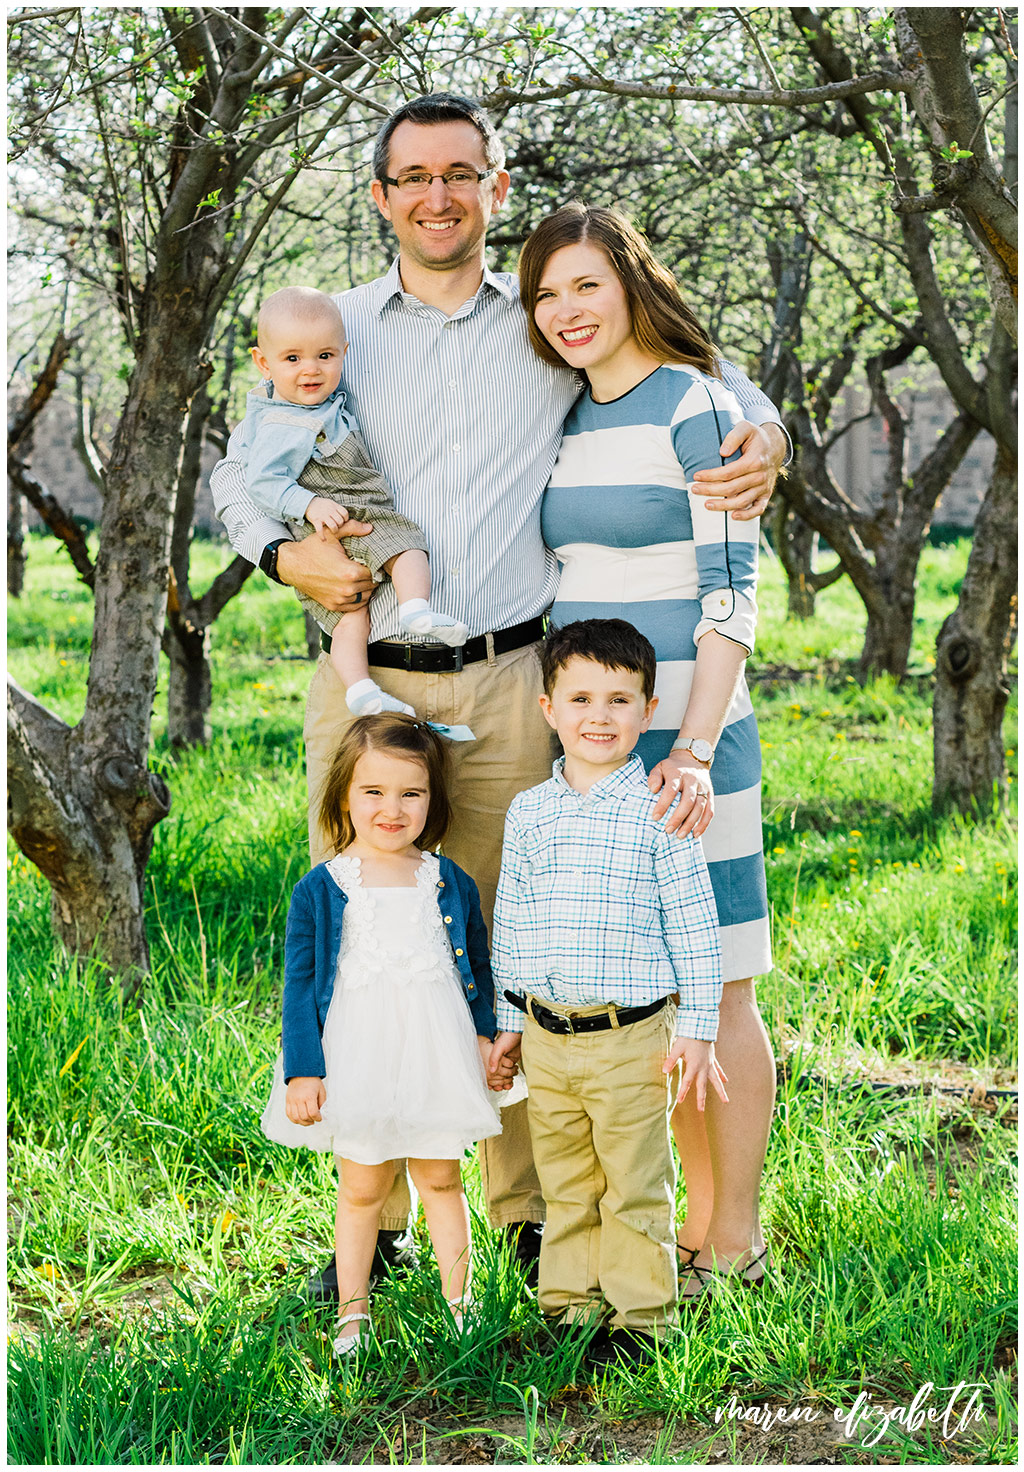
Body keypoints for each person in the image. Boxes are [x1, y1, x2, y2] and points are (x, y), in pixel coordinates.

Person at [211, 92, 788, 1296]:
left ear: (495, 188)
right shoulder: (334, 330)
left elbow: (683, 369)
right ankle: (377, 1218)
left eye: (460, 173)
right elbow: (239, 468)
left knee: (524, 947)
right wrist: (274, 556)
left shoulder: (541, 325)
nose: (437, 195)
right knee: (379, 936)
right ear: (379, 196)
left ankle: (531, 1220)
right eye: (411, 175)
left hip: (524, 673)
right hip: (364, 678)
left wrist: (765, 427)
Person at [518, 203, 776, 1299]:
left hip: (686, 741)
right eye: (545, 294)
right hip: (597, 746)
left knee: (720, 987)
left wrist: (698, 746)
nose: (566, 310)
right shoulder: (570, 411)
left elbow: (731, 593)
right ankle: (681, 1224)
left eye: (585, 285)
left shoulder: (697, 406)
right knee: (655, 988)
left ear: (629, 282)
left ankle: (734, 1236)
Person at [489, 619, 728, 1363]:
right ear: (548, 710)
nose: (600, 715)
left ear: (648, 712)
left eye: (620, 700)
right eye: (582, 698)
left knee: (632, 1182)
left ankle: (642, 1321)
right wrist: (508, 1021)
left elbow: (695, 925)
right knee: (565, 1181)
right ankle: (568, 1309)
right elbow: (514, 921)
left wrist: (700, 1028)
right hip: (549, 1038)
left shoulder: (661, 808)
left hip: (631, 1039)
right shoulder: (530, 812)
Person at [260, 713, 507, 1355]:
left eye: (410, 794)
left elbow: (476, 966)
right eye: (373, 792)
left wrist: (485, 1040)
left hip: (435, 1050)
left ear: (433, 800)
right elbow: (299, 984)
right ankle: (351, 1317)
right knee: (363, 1186)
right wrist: (304, 1070)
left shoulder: (448, 880)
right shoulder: (322, 888)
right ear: (344, 794)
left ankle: (463, 1308)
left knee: (443, 1178)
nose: (391, 809)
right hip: (359, 1055)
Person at [231, 285, 466, 715]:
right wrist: (307, 506)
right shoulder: (279, 420)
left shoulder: (317, 404)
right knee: (406, 548)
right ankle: (413, 614)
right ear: (263, 363)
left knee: (354, 614)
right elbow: (257, 482)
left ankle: (367, 678)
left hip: (344, 511)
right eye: (292, 359)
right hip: (332, 517)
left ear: (345, 351)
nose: (311, 370)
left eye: (325, 356)